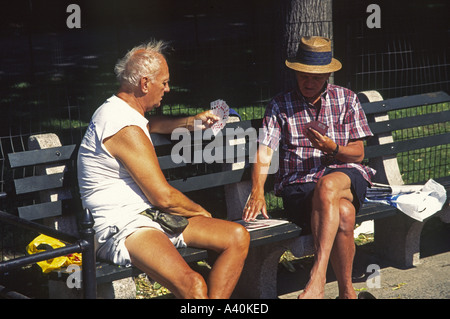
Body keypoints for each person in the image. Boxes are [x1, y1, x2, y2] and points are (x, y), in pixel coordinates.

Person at [77, 40, 250, 299]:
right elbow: (163, 197)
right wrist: (201, 212)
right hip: (124, 226)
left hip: (150, 217)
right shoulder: (121, 126)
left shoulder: (125, 112)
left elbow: (152, 124)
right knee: (193, 285)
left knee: (237, 236)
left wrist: (193, 121)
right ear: (145, 83)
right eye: (164, 82)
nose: (167, 89)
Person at [243, 36, 376, 299]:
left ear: (327, 74)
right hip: (300, 184)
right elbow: (265, 150)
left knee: (328, 185)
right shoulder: (280, 105)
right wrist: (257, 190)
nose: (308, 82)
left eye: (315, 77)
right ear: (296, 72)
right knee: (345, 213)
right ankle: (347, 293)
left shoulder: (347, 99)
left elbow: (358, 154)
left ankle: (317, 278)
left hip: (345, 175)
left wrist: (332, 148)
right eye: (303, 75)